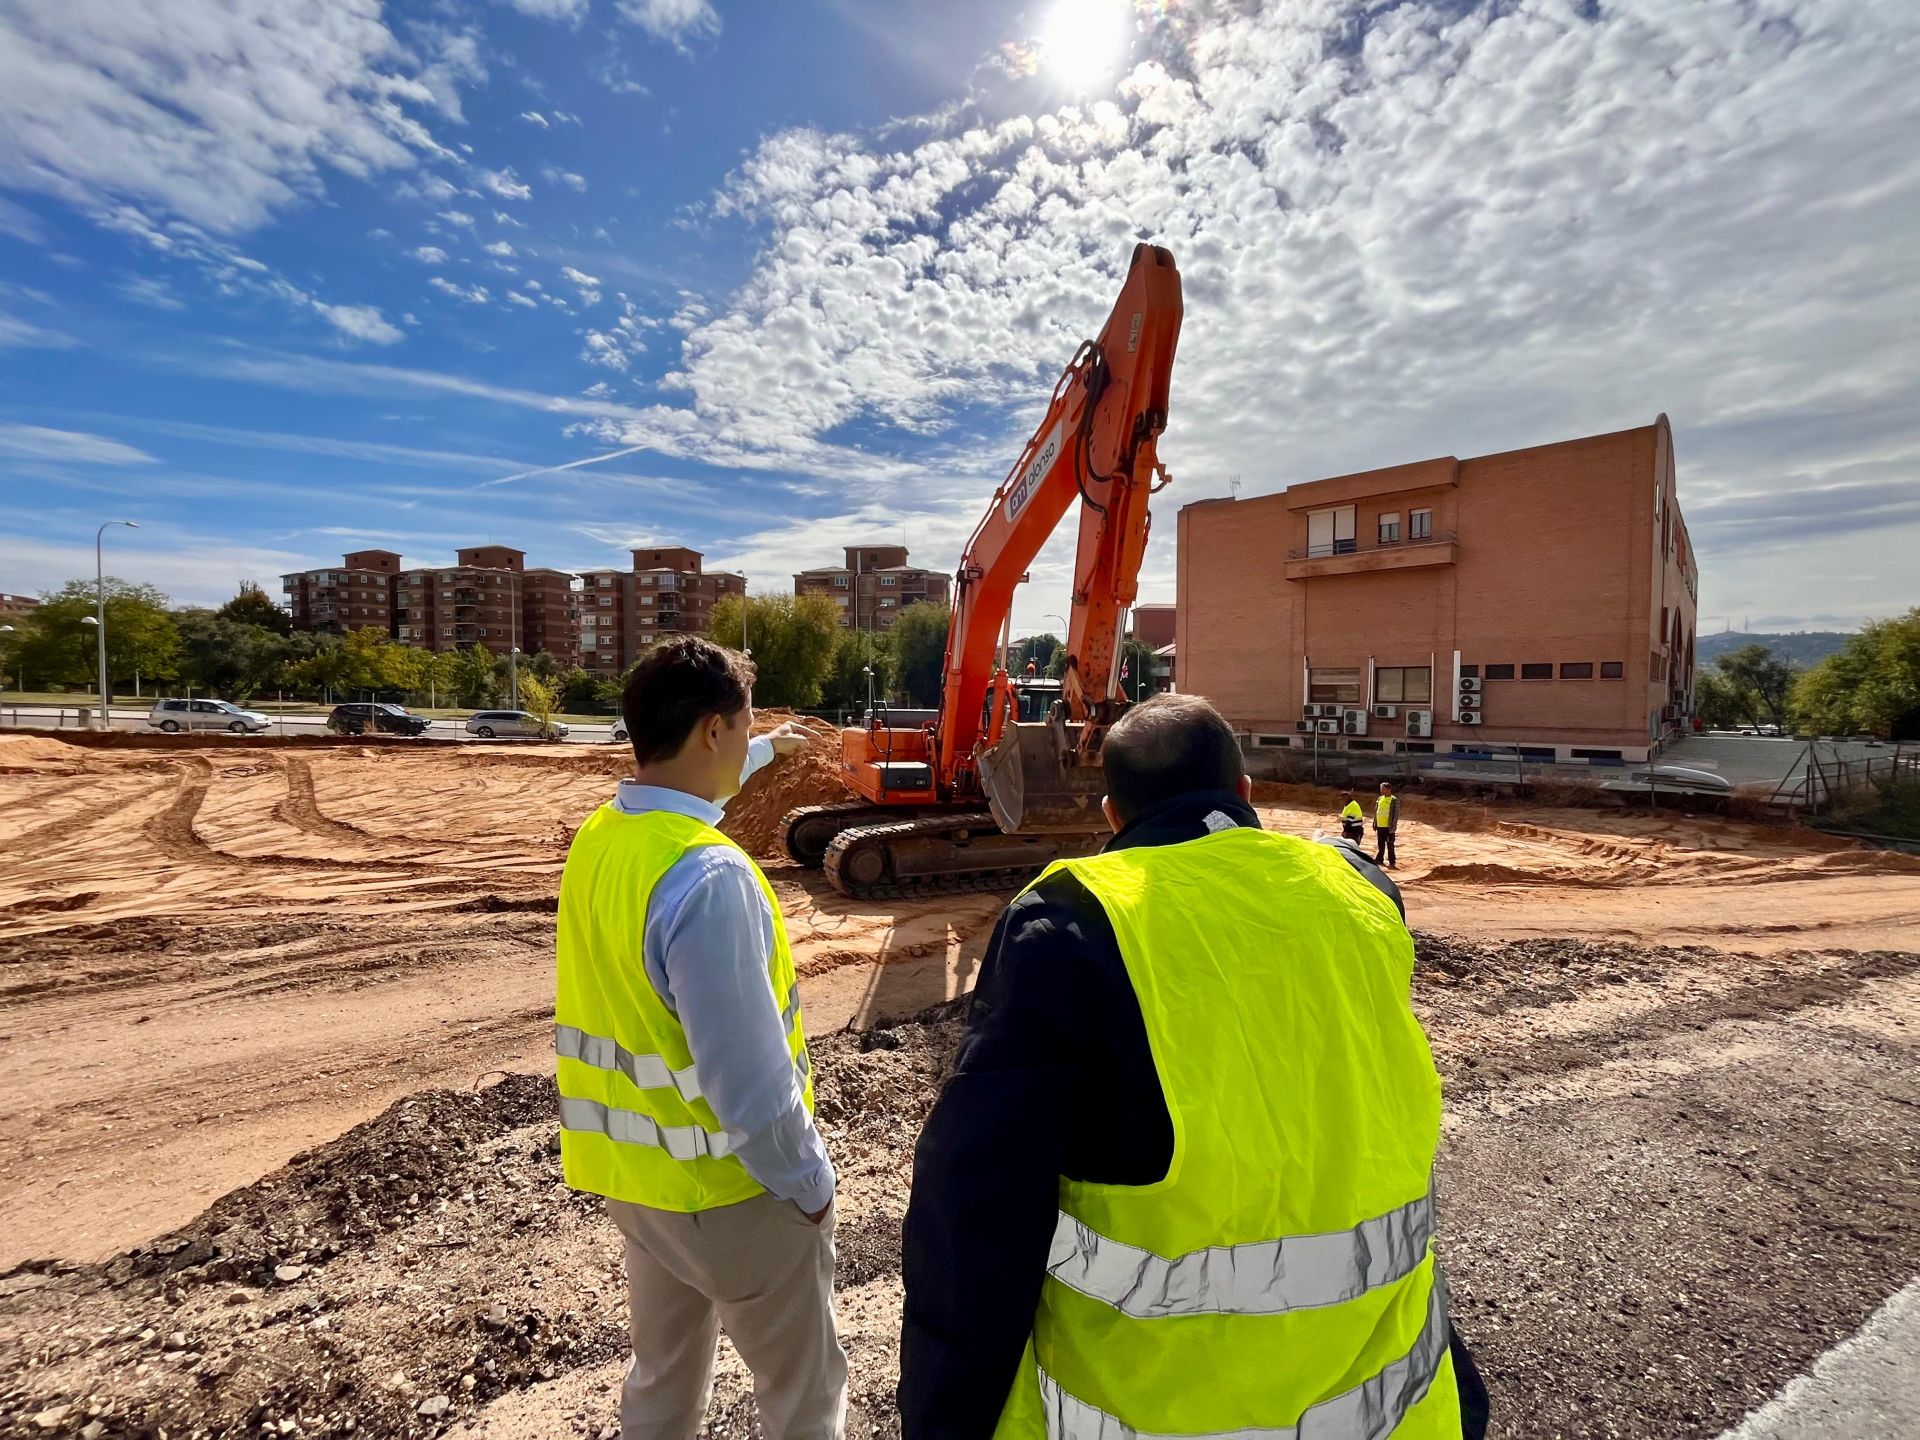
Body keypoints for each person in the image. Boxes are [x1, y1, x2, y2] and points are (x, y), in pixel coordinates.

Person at [899, 693, 1486, 1440]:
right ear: (1245, 794)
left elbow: (978, 1214)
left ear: (1112, 814)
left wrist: (943, 1412)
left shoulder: (1068, 923)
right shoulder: (1363, 891)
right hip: (1393, 1408)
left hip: (1161, 1409)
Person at [554, 638, 847, 1440]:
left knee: (663, 1379)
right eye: (746, 725)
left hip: (640, 1184)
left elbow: (697, 780)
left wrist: (771, 749)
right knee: (803, 1398)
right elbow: (750, 1084)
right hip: (733, 1194)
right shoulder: (710, 879)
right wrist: (810, 1187)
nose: (751, 739)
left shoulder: (606, 837)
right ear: (713, 730)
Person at [1375, 779, 1400, 869]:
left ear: (1389, 789)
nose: (1381, 790)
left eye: (1383, 789)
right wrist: (1375, 823)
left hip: (1388, 827)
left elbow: (1395, 815)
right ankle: (1379, 859)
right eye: (1381, 789)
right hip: (1380, 826)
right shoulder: (1379, 798)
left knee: (1390, 845)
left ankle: (1392, 862)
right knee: (1380, 844)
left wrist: (1392, 827)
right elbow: (1376, 811)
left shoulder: (1394, 800)